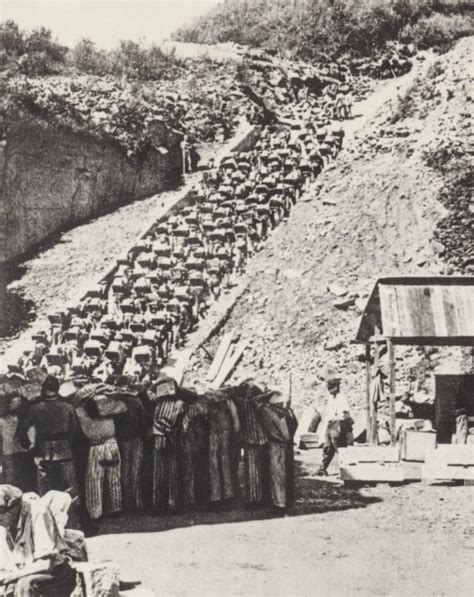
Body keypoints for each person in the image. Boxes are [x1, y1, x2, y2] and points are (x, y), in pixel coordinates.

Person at [17, 376, 78, 495]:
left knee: (44, 489)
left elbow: (22, 429)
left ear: (43, 389)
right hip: (64, 450)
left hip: (42, 451)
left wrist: (29, 446)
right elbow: (74, 430)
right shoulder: (68, 407)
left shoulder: (35, 408)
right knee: (70, 488)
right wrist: (68, 443)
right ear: (58, 389)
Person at [76, 399, 122, 521]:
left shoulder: (83, 417)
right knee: (114, 478)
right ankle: (115, 507)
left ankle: (95, 512)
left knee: (95, 480)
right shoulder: (111, 414)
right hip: (112, 444)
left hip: (96, 447)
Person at [258, 390, 297, 512]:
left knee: (277, 475)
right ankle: (281, 501)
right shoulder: (278, 414)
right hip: (280, 445)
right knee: (279, 474)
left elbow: (285, 435)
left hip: (277, 445)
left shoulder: (273, 414)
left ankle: (279, 503)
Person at [234, 381, 268, 508]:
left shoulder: (243, 403)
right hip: (261, 439)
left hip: (250, 440)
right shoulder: (259, 403)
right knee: (260, 469)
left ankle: (253, 499)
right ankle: (261, 498)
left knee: (252, 470)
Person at [317, 368, 353, 476]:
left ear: (336, 387)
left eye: (330, 388)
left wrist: (341, 427)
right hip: (330, 426)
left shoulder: (341, 398)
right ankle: (322, 470)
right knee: (328, 448)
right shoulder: (331, 398)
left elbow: (345, 414)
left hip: (338, 427)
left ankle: (347, 472)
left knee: (341, 450)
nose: (328, 390)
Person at [0, 397, 35, 491]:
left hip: (20, 454)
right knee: (14, 484)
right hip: (12, 454)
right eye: (11, 403)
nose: (12, 405)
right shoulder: (3, 420)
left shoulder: (26, 420)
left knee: (19, 483)